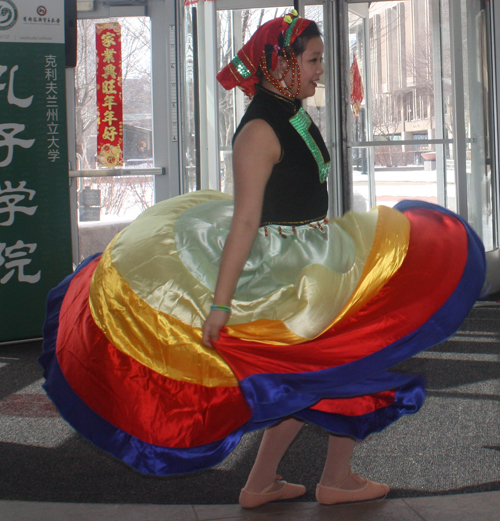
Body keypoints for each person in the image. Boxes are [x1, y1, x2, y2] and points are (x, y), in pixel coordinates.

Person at [40, 11, 486, 510]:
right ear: (281, 63)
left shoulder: (291, 110)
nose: (321, 71)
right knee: (336, 365)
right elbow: (245, 222)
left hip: (316, 251)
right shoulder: (258, 131)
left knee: (306, 374)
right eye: (313, 60)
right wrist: (220, 305)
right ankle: (330, 478)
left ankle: (266, 482)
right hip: (285, 270)